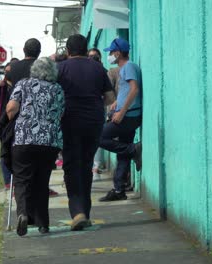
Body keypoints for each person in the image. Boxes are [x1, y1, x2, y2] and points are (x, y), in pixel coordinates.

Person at [57, 34, 115, 231]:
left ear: (67, 50)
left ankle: (78, 212)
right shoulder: (98, 68)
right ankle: (85, 212)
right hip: (93, 122)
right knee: (86, 164)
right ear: (86, 48)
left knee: (72, 166)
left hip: (69, 122)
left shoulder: (61, 68)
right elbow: (109, 98)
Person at [6, 57, 64, 236]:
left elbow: (11, 109)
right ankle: (43, 223)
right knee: (42, 181)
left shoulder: (23, 84)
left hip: (24, 139)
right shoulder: (58, 89)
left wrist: (14, 121)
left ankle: (23, 213)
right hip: (49, 141)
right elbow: (61, 113)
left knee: (22, 180)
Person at [99, 38, 143, 202]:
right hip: (127, 114)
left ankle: (133, 150)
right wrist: (117, 103)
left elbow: (134, 89)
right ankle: (119, 189)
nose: (110, 55)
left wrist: (122, 112)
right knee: (122, 154)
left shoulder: (128, 67)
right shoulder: (125, 68)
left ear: (118, 53)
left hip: (128, 116)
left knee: (99, 137)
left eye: (111, 52)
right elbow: (126, 90)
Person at [87, 48, 106, 181]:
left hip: (100, 111)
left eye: (95, 57)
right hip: (87, 111)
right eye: (90, 57)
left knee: (97, 140)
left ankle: (96, 167)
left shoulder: (104, 72)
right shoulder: (84, 72)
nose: (93, 59)